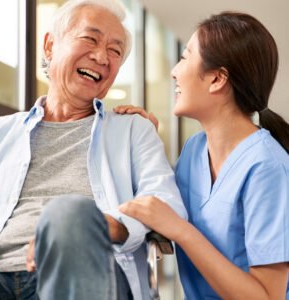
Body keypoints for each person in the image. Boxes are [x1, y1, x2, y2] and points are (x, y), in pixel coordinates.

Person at [0, 0, 187, 299]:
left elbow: (167, 203)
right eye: (90, 39)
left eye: (115, 51)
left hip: (87, 274)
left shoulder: (133, 129)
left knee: (68, 213)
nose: (100, 56)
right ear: (50, 45)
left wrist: (109, 225)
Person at [116, 11, 289, 299]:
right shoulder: (194, 151)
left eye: (185, 57)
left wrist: (182, 232)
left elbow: (267, 296)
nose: (174, 70)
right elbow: (157, 206)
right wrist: (142, 145)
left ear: (217, 79)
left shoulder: (267, 167)